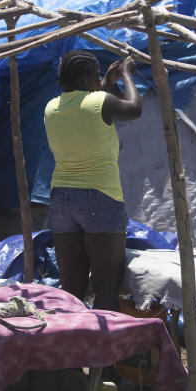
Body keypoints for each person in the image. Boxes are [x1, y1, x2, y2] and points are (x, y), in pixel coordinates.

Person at [43, 50, 142, 312]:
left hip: (62, 200)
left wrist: (106, 83)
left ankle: (73, 348)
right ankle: (104, 352)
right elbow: (134, 108)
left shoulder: (51, 108)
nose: (100, 80)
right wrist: (126, 74)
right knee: (106, 287)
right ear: (87, 79)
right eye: (97, 75)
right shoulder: (101, 102)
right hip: (99, 196)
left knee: (72, 290)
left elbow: (86, 107)